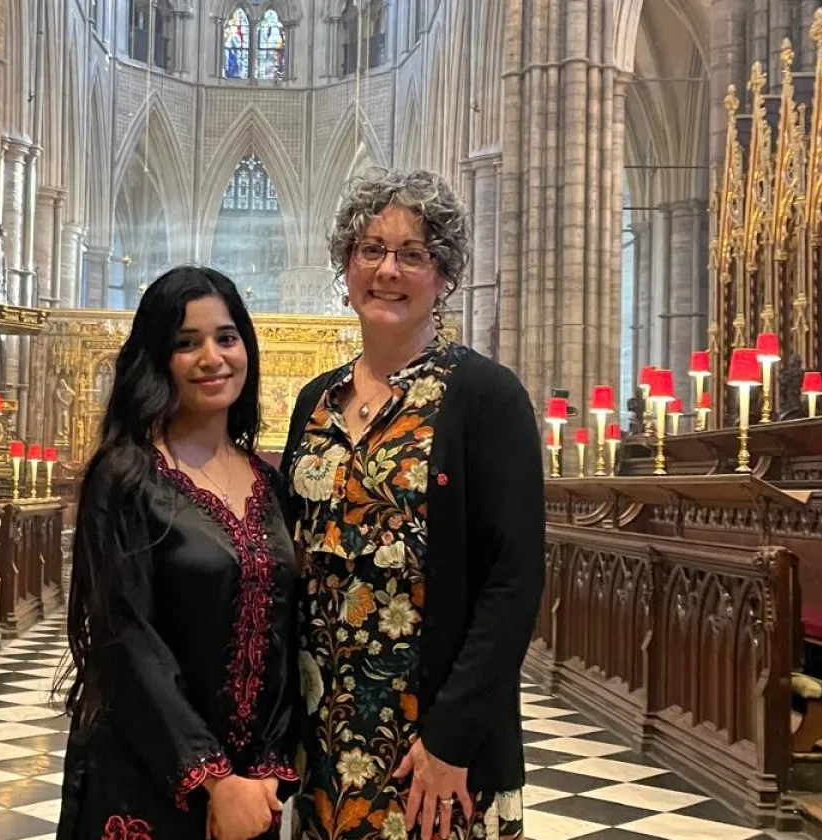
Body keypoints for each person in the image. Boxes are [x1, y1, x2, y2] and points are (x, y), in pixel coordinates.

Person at [280, 170, 545, 840]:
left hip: (429, 747)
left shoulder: (486, 397)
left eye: (412, 254)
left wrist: (452, 738)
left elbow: (513, 583)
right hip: (325, 734)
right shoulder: (316, 400)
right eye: (370, 250)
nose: (387, 270)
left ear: (444, 275)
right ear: (346, 267)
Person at [58, 266, 300, 840]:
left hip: (251, 788)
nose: (212, 357)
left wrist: (267, 774)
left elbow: (288, 634)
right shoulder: (126, 476)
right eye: (186, 343)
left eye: (226, 336)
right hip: (147, 774)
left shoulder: (269, 484)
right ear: (156, 358)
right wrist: (212, 779)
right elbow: (125, 637)